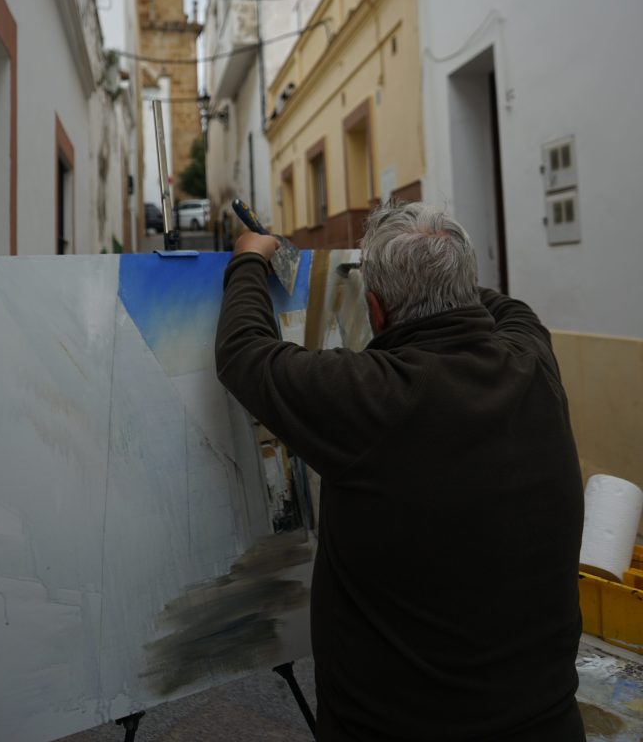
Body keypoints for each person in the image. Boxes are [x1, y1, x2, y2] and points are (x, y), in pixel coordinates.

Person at [215, 202, 585, 742]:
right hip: (549, 722)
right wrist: (437, 271)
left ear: (376, 310)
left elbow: (245, 352)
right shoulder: (532, 359)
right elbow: (509, 308)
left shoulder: (375, 394)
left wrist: (249, 259)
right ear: (465, 286)